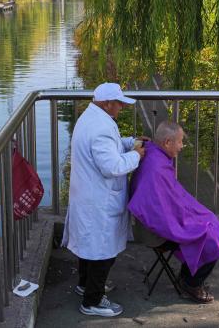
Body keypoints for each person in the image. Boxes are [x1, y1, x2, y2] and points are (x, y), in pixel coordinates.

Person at [62, 82, 148, 317]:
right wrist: (136, 155)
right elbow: (112, 165)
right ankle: (92, 301)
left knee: (90, 247)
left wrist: (129, 142)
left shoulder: (91, 118)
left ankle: (85, 285)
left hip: (89, 196)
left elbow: (107, 147)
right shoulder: (100, 126)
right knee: (102, 252)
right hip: (98, 200)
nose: (121, 107)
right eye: (118, 103)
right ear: (107, 103)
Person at [128, 120, 219, 303]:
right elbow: (163, 212)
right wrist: (189, 221)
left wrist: (191, 215)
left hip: (147, 225)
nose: (182, 146)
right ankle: (191, 284)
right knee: (214, 236)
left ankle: (188, 277)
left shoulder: (152, 152)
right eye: (180, 141)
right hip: (154, 233)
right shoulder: (156, 167)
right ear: (167, 142)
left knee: (209, 223)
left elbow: (170, 201)